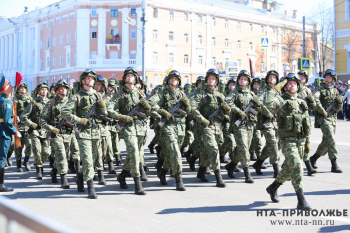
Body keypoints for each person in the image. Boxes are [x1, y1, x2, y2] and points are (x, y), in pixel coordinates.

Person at [266, 73, 312, 210]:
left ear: (298, 86)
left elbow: (305, 122)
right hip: (287, 141)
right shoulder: (280, 101)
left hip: (301, 141)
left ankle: (273, 187)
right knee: (297, 165)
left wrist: (307, 142)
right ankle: (301, 200)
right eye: (289, 83)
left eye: (294, 83)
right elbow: (267, 102)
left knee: (288, 169)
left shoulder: (302, 102)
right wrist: (278, 86)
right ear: (284, 87)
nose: (292, 85)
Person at [61, 69, 108, 199]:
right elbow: (64, 112)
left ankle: (80, 177)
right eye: (87, 78)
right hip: (83, 133)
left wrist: (103, 105)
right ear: (82, 81)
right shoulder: (77, 97)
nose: (90, 80)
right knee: (87, 160)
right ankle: (91, 188)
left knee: (92, 161)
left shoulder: (97, 96)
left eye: (92, 79)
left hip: (96, 132)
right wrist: (79, 120)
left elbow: (104, 114)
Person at [107, 67, 149, 195]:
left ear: (135, 78)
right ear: (124, 79)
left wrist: (147, 107)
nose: (129, 77)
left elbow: (148, 111)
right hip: (128, 127)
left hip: (140, 128)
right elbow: (109, 109)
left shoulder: (140, 93)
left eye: (132, 75)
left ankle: (122, 175)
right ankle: (137, 184)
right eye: (127, 76)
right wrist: (121, 117)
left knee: (133, 155)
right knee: (134, 152)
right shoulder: (120, 94)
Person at [148, 70, 190, 191]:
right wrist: (162, 111)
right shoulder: (162, 93)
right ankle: (179, 180)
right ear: (168, 80)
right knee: (176, 152)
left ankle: (163, 171)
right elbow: (150, 102)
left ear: (179, 81)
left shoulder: (182, 94)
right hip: (167, 127)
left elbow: (189, 110)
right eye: (171, 78)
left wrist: (187, 104)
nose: (173, 80)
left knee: (170, 154)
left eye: (176, 79)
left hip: (180, 128)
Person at [190, 69, 228, 188]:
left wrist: (227, 110)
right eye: (209, 78)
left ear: (216, 81)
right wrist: (202, 119)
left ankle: (201, 171)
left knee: (208, 151)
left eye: (213, 78)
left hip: (217, 127)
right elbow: (192, 107)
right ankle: (218, 177)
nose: (211, 80)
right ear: (206, 80)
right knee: (214, 149)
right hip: (206, 126)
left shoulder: (220, 95)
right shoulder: (201, 94)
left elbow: (227, 112)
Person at [40, 80, 75, 189]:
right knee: (61, 155)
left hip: (68, 133)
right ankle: (64, 179)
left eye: (65, 87)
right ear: (57, 90)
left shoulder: (70, 102)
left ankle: (54, 171)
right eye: (61, 88)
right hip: (56, 134)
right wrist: (51, 128)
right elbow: (41, 120)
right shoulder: (51, 103)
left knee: (64, 155)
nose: (63, 89)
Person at [310, 69, 343, 173]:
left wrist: (340, 102)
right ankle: (334, 164)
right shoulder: (320, 89)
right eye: (326, 77)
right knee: (331, 139)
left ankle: (313, 158)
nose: (327, 78)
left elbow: (339, 109)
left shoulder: (335, 91)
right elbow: (315, 100)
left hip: (333, 119)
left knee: (326, 142)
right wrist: (323, 111)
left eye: (329, 77)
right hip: (324, 119)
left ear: (333, 79)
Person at [253, 70, 281, 178]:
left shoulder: (278, 91)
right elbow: (257, 103)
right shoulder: (264, 90)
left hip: (276, 121)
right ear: (267, 79)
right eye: (270, 77)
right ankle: (276, 169)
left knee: (272, 144)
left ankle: (258, 163)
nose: (272, 78)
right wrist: (267, 113)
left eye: (274, 77)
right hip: (266, 121)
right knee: (273, 143)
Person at [21, 82, 50, 180]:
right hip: (35, 131)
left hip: (45, 130)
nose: (44, 91)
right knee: (37, 150)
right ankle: (39, 169)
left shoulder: (50, 102)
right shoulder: (33, 102)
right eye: (42, 89)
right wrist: (30, 124)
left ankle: (40, 163)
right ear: (38, 91)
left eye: (46, 89)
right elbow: (23, 116)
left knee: (46, 152)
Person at [0, 75, 21, 192]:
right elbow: (7, 122)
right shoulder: (7, 102)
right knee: (2, 159)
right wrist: (15, 132)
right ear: (4, 88)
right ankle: (1, 185)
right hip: (3, 132)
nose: (10, 87)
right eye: (8, 85)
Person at [296, 70, 317, 176]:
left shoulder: (308, 91)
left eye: (303, 77)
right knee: (298, 145)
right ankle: (308, 167)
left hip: (305, 121)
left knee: (307, 146)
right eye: (300, 76)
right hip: (295, 121)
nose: (301, 78)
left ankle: (307, 166)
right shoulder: (293, 88)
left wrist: (311, 100)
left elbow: (313, 108)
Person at [14, 82, 32, 172]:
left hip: (27, 126)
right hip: (18, 126)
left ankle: (26, 161)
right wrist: (14, 116)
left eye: (24, 88)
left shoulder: (30, 100)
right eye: (20, 88)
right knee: (18, 147)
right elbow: (11, 111)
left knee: (29, 145)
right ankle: (18, 165)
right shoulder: (15, 100)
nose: (22, 89)